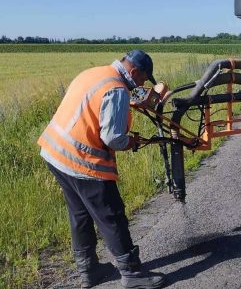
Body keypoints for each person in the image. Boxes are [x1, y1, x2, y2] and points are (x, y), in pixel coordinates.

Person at [37, 50, 166, 289]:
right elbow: (113, 138)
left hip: (55, 153)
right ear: (134, 71)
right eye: (142, 79)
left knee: (80, 214)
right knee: (111, 216)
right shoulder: (117, 89)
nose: (141, 84)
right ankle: (132, 274)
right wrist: (133, 141)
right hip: (83, 161)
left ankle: (89, 271)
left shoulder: (95, 73)